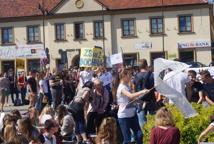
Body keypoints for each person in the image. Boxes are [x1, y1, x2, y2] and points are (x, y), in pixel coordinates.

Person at [117, 68, 149, 144]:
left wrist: (141, 102)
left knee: (139, 135)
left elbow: (133, 99)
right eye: (130, 75)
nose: (131, 77)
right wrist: (142, 91)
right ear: (124, 76)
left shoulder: (127, 86)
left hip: (132, 115)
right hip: (124, 116)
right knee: (127, 140)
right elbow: (130, 96)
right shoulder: (121, 87)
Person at [133, 59, 156, 128]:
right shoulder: (152, 75)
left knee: (142, 124)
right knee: (153, 122)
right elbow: (155, 88)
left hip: (140, 101)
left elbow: (134, 89)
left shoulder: (136, 76)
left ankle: (145, 137)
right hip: (151, 100)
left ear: (139, 67)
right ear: (146, 65)